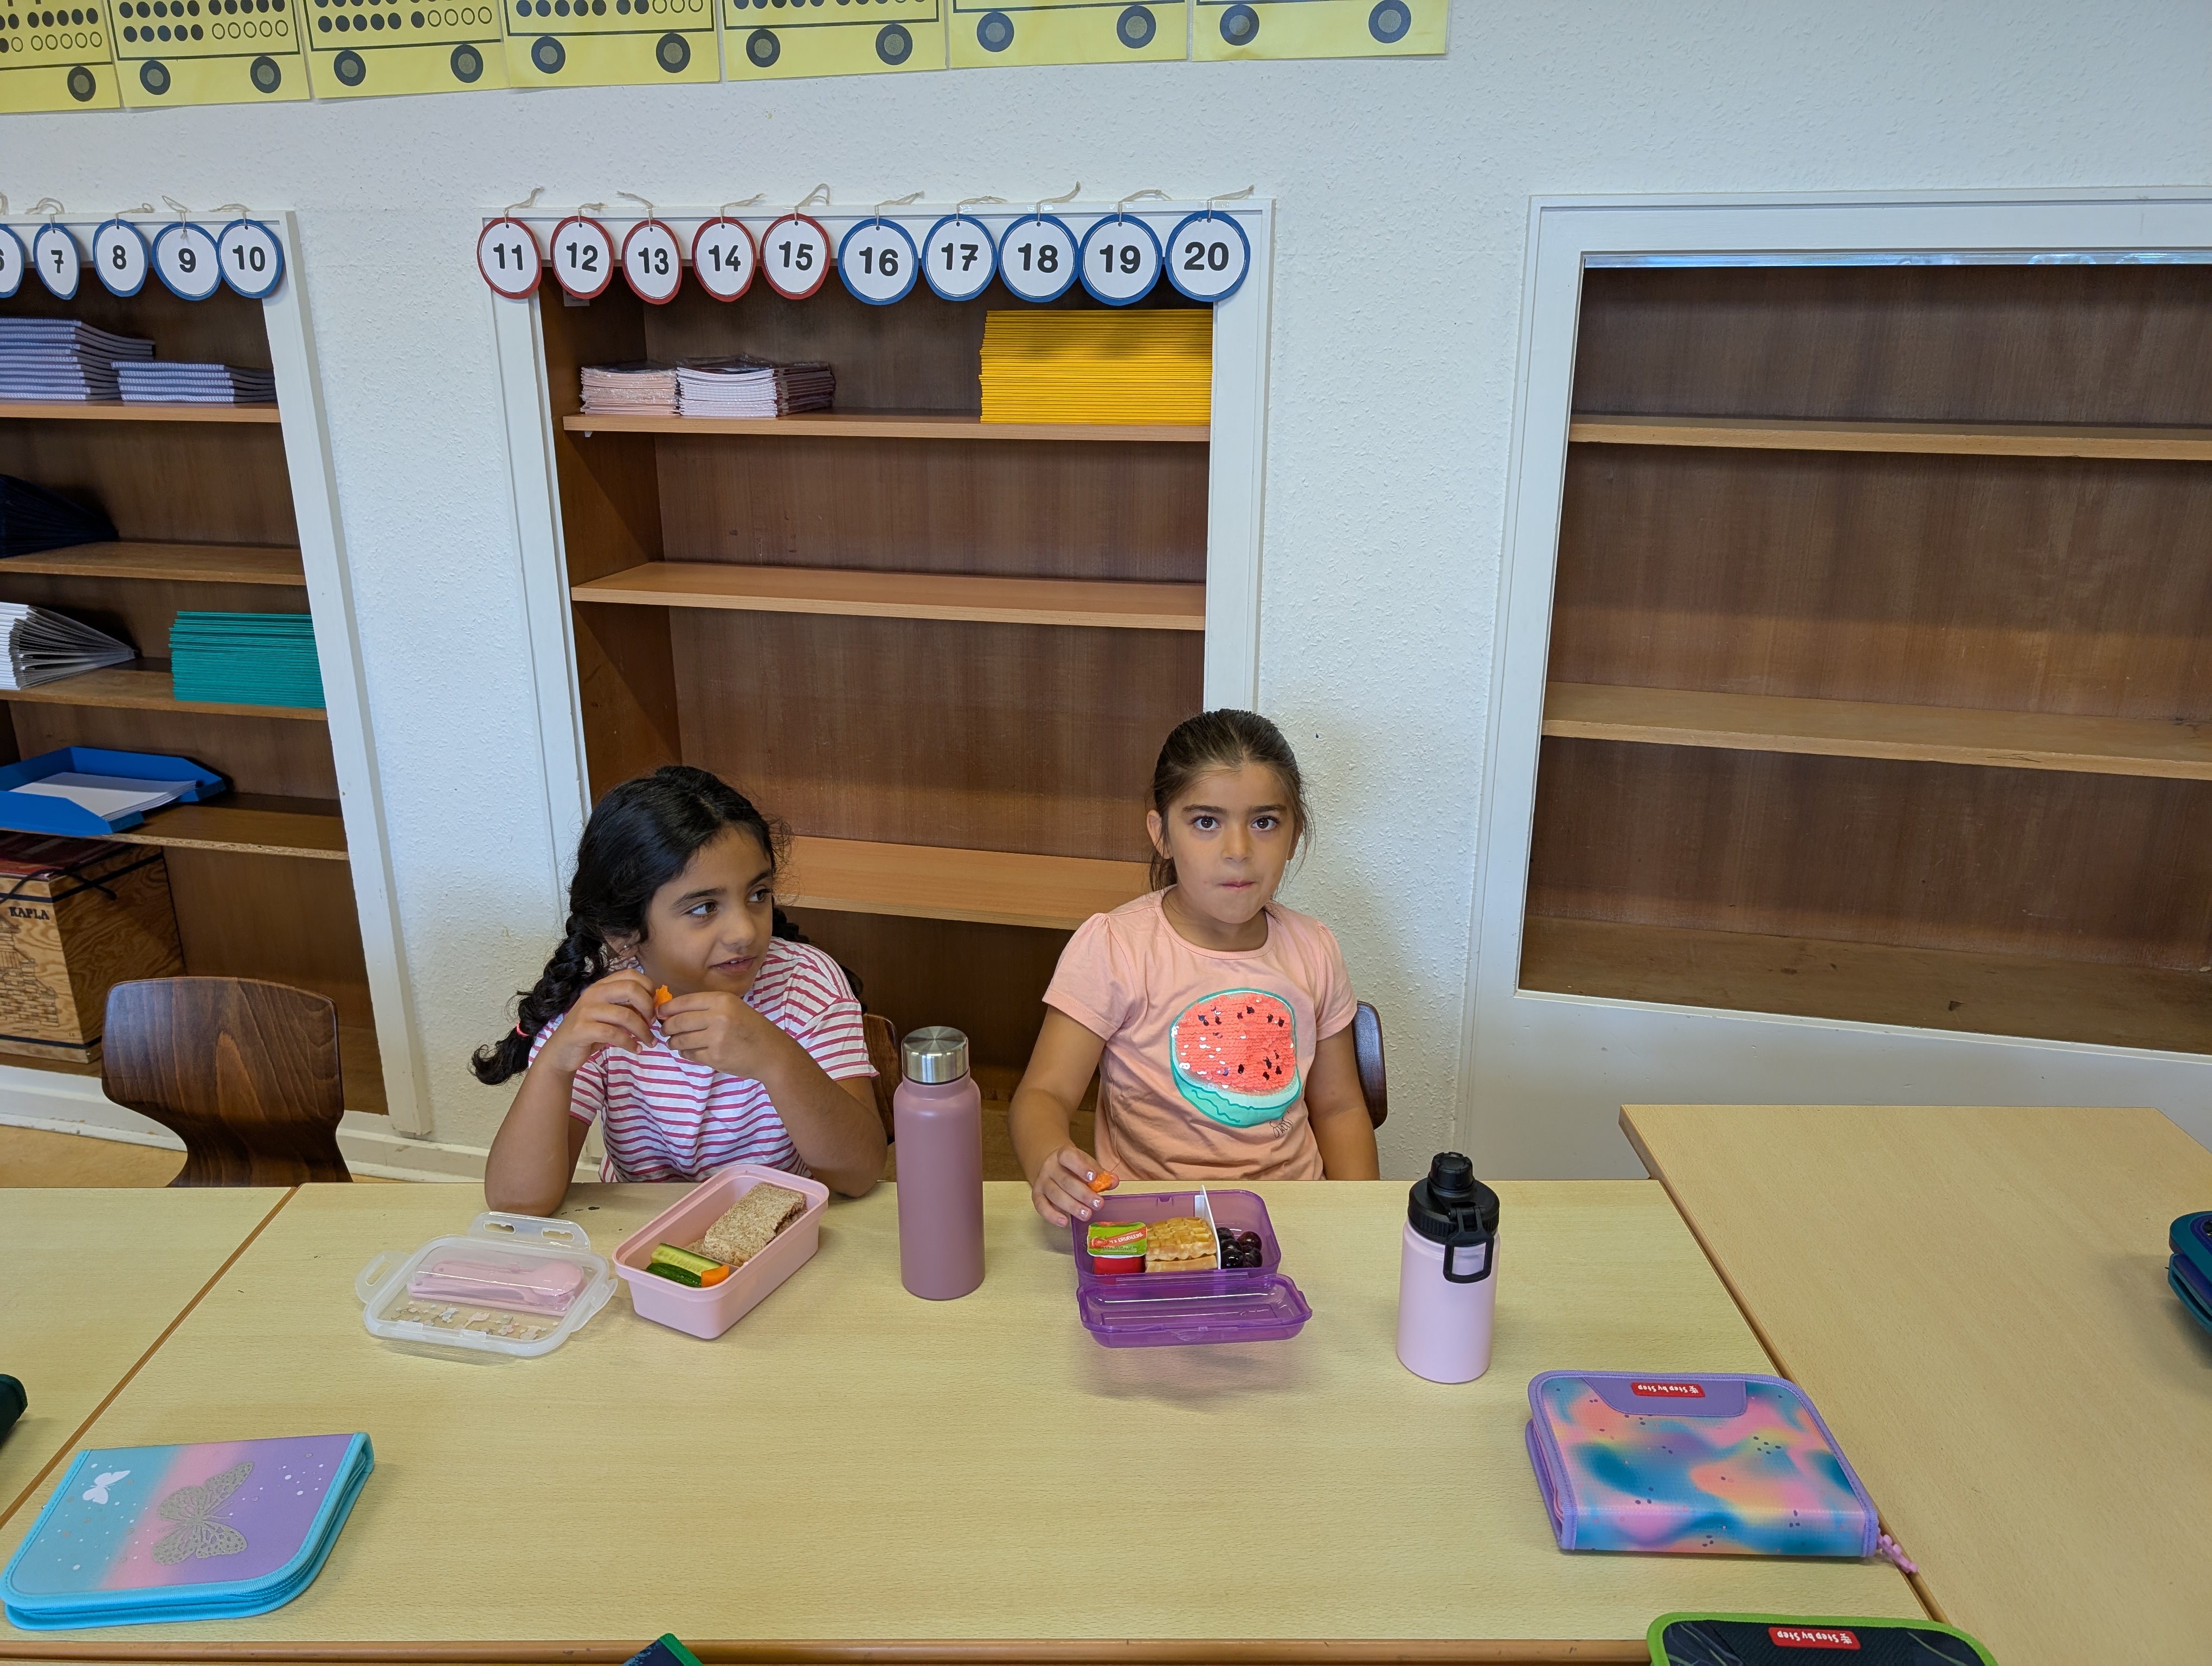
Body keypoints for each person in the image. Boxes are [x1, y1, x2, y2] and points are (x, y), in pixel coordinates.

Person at [1009, 710, 1380, 1225]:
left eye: (1264, 822)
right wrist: (1049, 1158)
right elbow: (1043, 1094)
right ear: (1161, 834)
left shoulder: (1314, 948)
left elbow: (1339, 1109)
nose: (1238, 851)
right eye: (1206, 822)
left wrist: (1364, 1221)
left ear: (1294, 835)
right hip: (1155, 1219)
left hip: (1295, 1215)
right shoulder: (1115, 947)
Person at [475, 765, 884, 1214]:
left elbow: (857, 1174)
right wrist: (555, 1065)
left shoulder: (804, 984)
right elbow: (517, 1203)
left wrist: (775, 1058)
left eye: (758, 894)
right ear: (623, 933)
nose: (745, 932)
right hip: (638, 1230)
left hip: (779, 1227)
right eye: (705, 907)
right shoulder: (600, 1008)